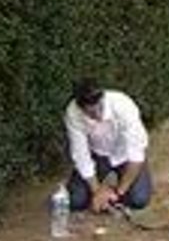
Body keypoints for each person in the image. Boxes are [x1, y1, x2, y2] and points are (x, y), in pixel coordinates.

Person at [64, 78, 153, 212]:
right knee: (75, 201)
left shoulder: (123, 104)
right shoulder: (73, 113)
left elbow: (135, 157)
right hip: (98, 155)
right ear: (81, 108)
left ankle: (113, 192)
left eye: (99, 108)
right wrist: (97, 192)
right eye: (91, 113)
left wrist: (118, 193)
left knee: (138, 200)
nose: (98, 115)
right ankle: (104, 192)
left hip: (125, 156)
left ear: (103, 98)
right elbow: (81, 156)